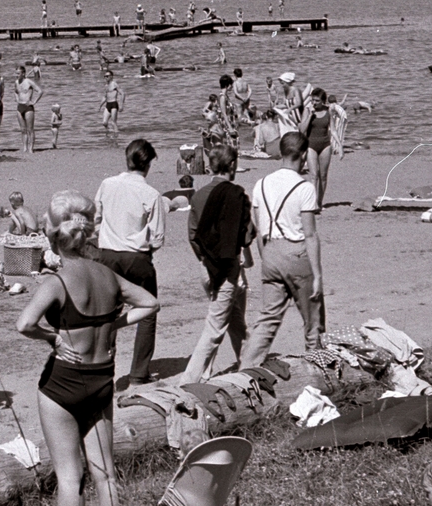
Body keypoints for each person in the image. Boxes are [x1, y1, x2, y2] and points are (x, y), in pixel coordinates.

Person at [16, 191, 159, 506]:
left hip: (62, 384)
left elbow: (24, 324)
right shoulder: (108, 276)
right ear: (87, 237)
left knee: (69, 477)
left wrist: (52, 338)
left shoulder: (57, 281)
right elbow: (149, 304)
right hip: (101, 380)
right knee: (105, 472)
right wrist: (112, 323)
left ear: (53, 241)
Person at [239, 132, 324, 367]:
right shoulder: (304, 187)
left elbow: (258, 228)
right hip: (296, 251)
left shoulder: (261, 184)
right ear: (304, 155)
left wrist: (266, 256)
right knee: (312, 317)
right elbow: (310, 234)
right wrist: (317, 275)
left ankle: (246, 368)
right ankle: (316, 364)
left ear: (281, 153)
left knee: (268, 318)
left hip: (270, 251)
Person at [178, 145, 255, 384]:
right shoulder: (237, 194)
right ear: (232, 165)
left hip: (207, 265)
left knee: (235, 319)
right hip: (229, 267)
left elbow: (192, 234)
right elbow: (246, 235)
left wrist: (203, 257)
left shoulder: (199, 195)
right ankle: (189, 381)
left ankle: (250, 363)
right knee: (215, 327)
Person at [94, 140, 166, 385]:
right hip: (136, 256)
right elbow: (157, 237)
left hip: (108, 254)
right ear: (147, 164)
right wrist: (148, 249)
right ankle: (138, 372)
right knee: (147, 311)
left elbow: (96, 217)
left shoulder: (107, 184)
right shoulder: (151, 194)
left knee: (106, 312)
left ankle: (102, 367)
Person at [299, 87, 334, 209]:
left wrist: (339, 145)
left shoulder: (328, 111)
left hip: (325, 144)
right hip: (311, 145)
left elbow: (333, 129)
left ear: (323, 101)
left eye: (317, 101)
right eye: (312, 100)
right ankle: (312, 204)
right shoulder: (307, 110)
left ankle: (319, 202)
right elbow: (302, 130)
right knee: (313, 175)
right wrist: (309, 116)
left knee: (323, 176)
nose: (314, 103)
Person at [14, 65, 43, 153]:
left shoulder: (29, 82)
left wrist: (34, 102)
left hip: (28, 107)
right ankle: (25, 147)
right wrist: (17, 98)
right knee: (23, 129)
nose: (17, 75)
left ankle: (31, 148)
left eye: (18, 73)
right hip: (20, 107)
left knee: (30, 129)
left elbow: (40, 91)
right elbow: (15, 91)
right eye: (16, 73)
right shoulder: (16, 82)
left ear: (23, 74)